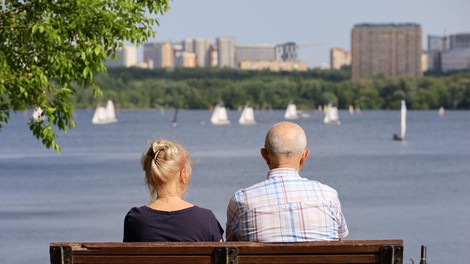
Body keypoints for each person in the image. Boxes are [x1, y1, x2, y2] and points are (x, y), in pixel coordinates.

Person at [226, 121, 348, 242]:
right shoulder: (329, 196)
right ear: (304, 156)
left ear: (264, 155)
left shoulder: (242, 200)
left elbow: (231, 246)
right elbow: (339, 239)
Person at [124, 139, 224, 242]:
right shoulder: (206, 219)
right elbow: (223, 256)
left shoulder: (135, 219)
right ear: (182, 174)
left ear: (151, 177)